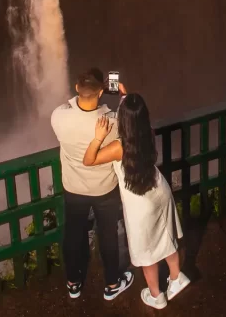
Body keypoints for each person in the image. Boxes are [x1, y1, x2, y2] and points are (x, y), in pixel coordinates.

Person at [83, 93, 191, 310]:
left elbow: (89, 160)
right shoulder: (148, 133)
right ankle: (176, 277)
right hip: (160, 190)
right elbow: (136, 113)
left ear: (121, 120)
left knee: (147, 251)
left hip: (140, 203)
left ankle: (156, 296)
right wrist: (127, 95)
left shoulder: (118, 147)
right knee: (165, 235)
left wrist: (98, 137)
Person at [50, 69, 134, 301]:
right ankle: (112, 284)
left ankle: (73, 283)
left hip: (74, 188)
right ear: (100, 92)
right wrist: (123, 95)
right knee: (107, 236)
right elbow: (130, 125)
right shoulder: (112, 123)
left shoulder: (58, 116)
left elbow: (71, 111)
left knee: (73, 235)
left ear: (77, 88)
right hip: (104, 189)